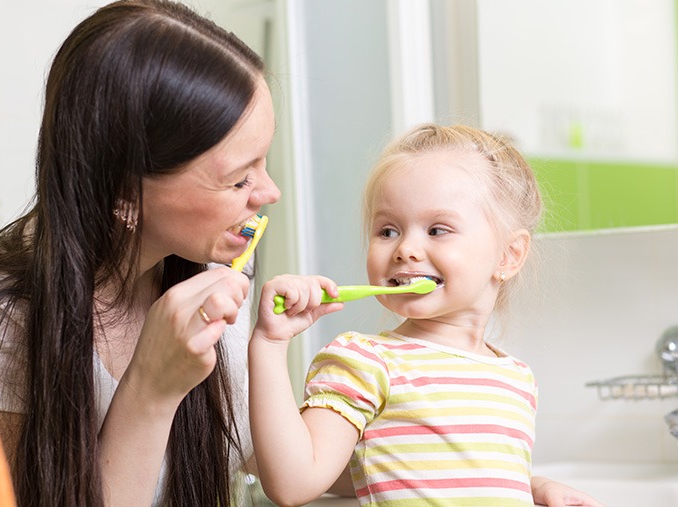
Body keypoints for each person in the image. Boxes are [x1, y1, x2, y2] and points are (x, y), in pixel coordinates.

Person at [0, 0, 281, 505]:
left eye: (264, 162)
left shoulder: (217, 271)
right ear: (124, 194)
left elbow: (266, 461)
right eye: (239, 179)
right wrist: (151, 388)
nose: (269, 192)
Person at [249, 123, 605, 506]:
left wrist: (532, 487)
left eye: (437, 230)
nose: (406, 249)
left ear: (508, 256)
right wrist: (270, 344)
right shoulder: (365, 362)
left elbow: (429, 472)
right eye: (388, 231)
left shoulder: (516, 379)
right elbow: (295, 482)